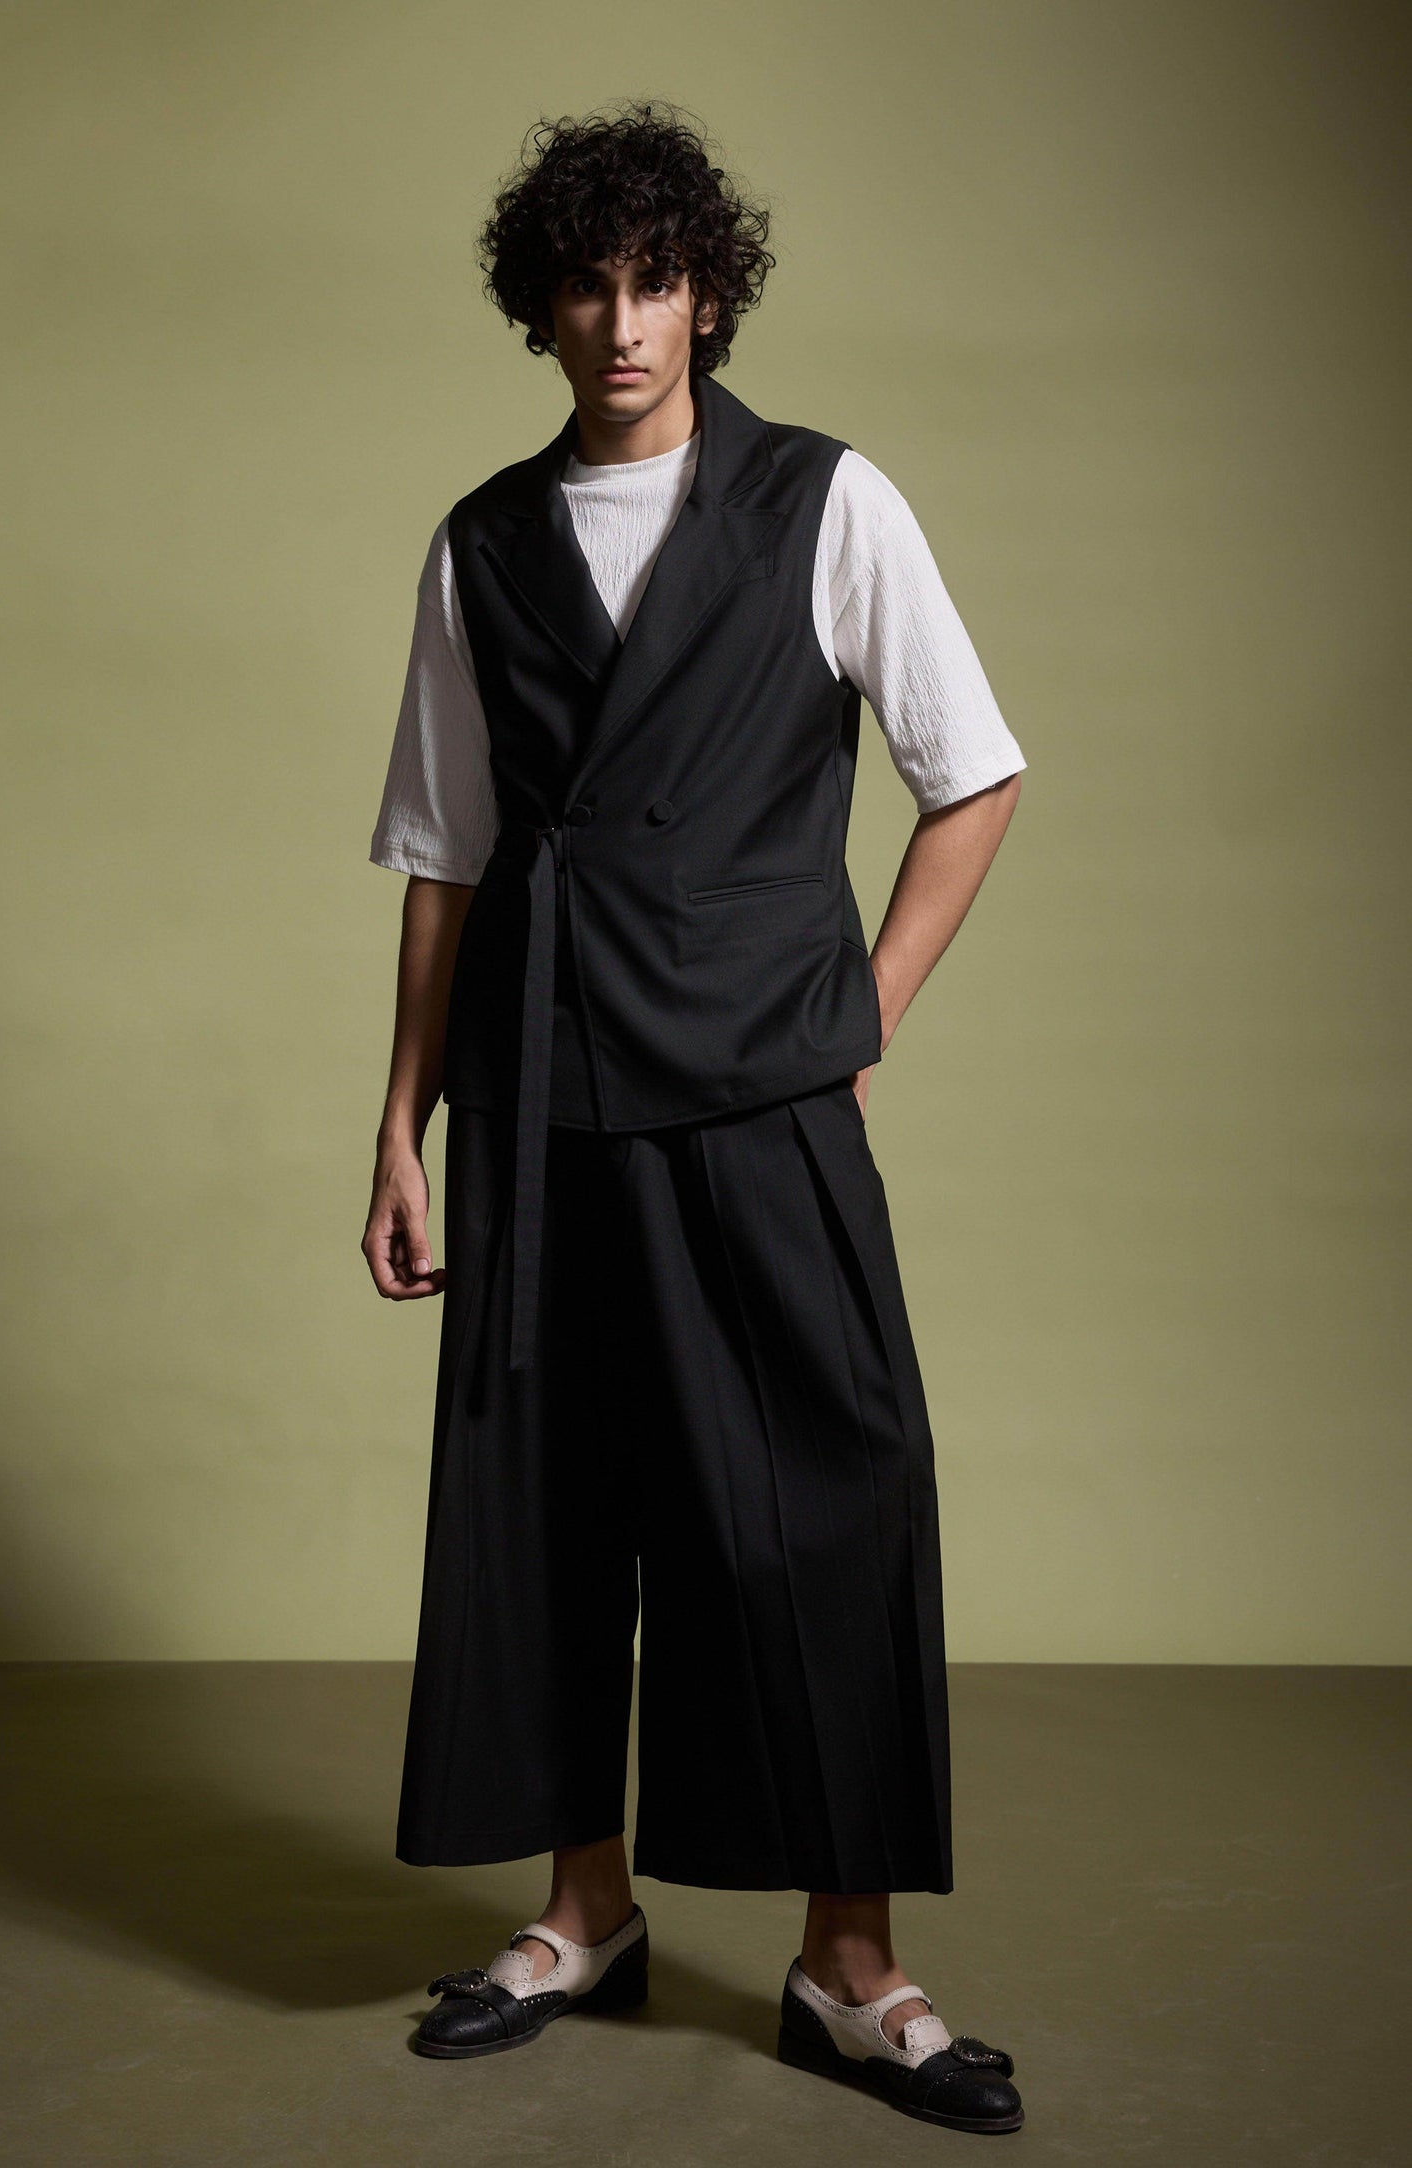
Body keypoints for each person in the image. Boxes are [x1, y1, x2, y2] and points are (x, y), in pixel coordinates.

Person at [362, 101, 1027, 2136]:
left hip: (756, 1083)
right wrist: (397, 1125)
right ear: (542, 310)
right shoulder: (482, 542)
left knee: (827, 1493)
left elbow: (973, 774)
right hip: (542, 1085)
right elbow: (447, 858)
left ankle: (850, 1960)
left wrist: (860, 1011)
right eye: (587, 285)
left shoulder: (825, 502)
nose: (624, 320)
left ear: (710, 296)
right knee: (558, 1505)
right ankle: (584, 1913)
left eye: (657, 281)